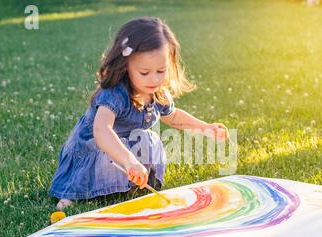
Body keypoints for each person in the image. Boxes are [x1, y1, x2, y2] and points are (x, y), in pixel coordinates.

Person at [49, 16, 229, 210]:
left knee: (147, 138)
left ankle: (127, 186)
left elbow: (174, 117)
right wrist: (129, 161)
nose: (153, 79)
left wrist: (204, 127)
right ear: (126, 66)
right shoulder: (115, 93)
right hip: (95, 148)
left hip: (125, 150)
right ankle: (74, 192)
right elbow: (102, 131)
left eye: (161, 71)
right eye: (144, 72)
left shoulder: (157, 93)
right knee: (111, 155)